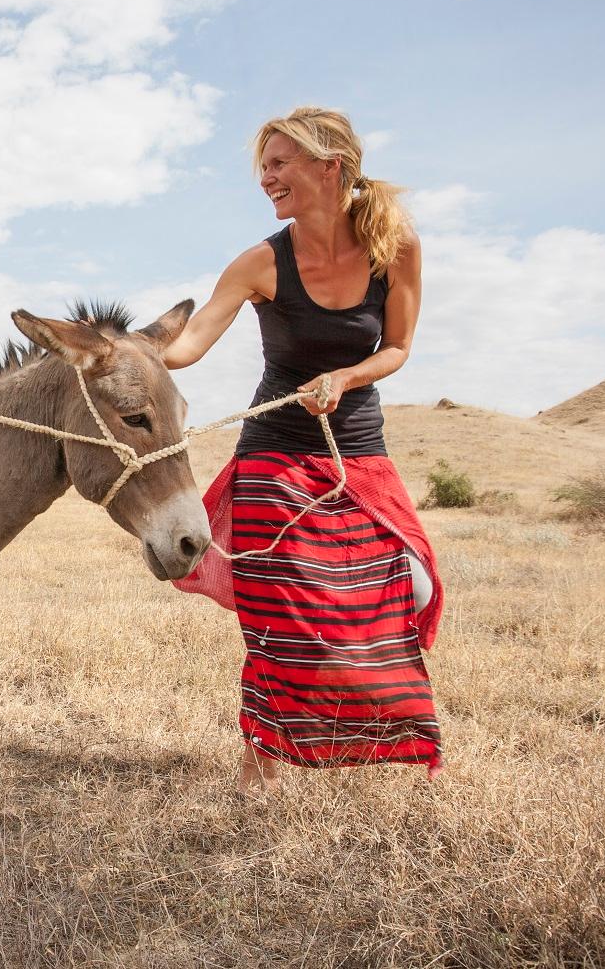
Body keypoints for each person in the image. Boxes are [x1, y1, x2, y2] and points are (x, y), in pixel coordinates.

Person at [165, 106, 443, 795]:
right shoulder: (261, 261)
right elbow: (187, 346)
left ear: (331, 166)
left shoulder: (395, 246)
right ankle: (257, 764)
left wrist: (345, 378)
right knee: (276, 611)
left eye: (280, 163)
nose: (267, 177)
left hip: (357, 452)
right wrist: (122, 354)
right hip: (272, 459)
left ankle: (368, 740)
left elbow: (398, 347)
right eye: (264, 165)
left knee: (398, 590)